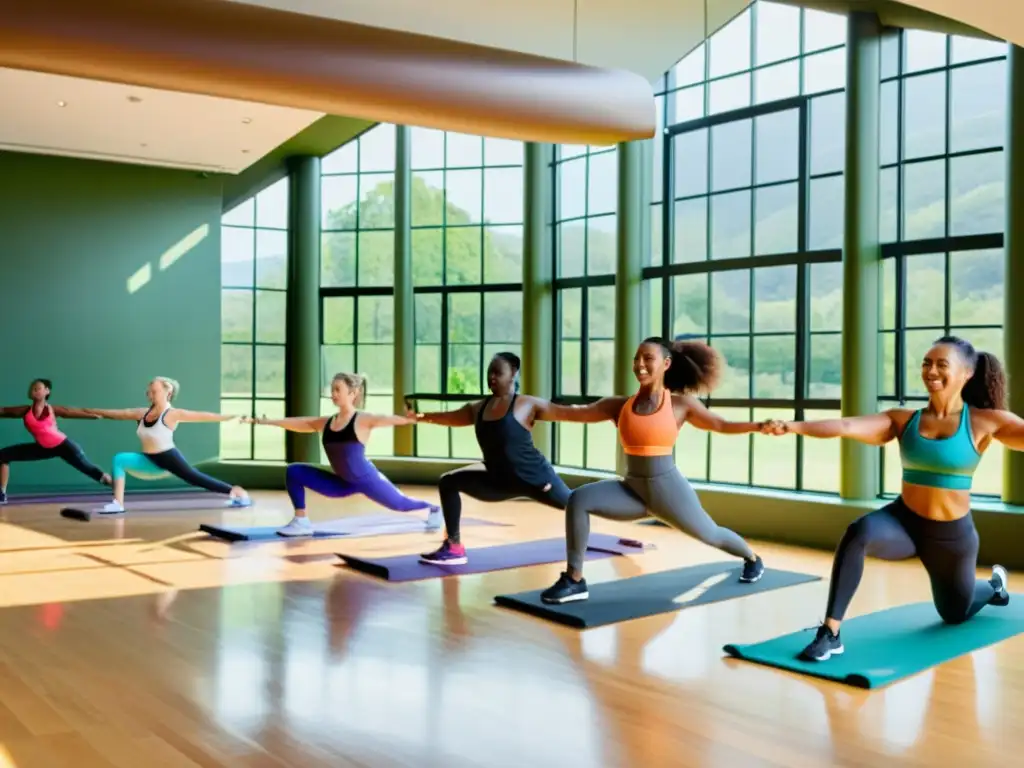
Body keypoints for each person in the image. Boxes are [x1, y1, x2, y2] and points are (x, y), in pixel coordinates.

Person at [761, 336, 1013, 662]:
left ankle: (993, 587)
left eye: (941, 364)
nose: (931, 371)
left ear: (966, 373)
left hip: (952, 537)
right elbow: (846, 425)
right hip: (903, 523)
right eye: (926, 363)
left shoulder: (983, 422)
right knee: (859, 532)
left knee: (955, 613)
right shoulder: (902, 420)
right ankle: (830, 632)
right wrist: (792, 426)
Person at [531, 337, 767, 604]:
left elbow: (722, 425)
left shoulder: (680, 405)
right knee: (578, 500)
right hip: (631, 489)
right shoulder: (619, 405)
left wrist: (759, 425)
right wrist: (531, 410)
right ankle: (574, 579)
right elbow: (573, 413)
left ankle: (752, 558)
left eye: (647, 359)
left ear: (666, 363)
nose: (639, 365)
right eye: (637, 359)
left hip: (668, 491)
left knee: (710, 534)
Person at [408, 351, 572, 566]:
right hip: (498, 482)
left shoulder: (526, 404)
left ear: (513, 374)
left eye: (497, 372)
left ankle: (626, 518)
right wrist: (420, 417)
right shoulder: (478, 408)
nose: (491, 377)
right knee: (448, 481)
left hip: (537, 479)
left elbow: (572, 413)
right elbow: (450, 417)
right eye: (489, 372)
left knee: (577, 504)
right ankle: (454, 547)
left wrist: (611, 412)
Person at [243, 372, 440, 537]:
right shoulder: (328, 422)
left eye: (338, 389)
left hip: (366, 479)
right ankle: (301, 521)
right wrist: (267, 422)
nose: (333, 394)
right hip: (342, 483)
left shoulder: (362, 419)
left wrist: (413, 419)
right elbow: (301, 422)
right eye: (332, 389)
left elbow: (385, 419)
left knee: (401, 504)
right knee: (294, 471)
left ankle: (434, 509)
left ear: (353, 393)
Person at [83, 377, 251, 513]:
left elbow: (203, 415)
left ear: (167, 392)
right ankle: (117, 504)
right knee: (119, 459)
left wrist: (231, 417)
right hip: (149, 460)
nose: (150, 393)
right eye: (149, 390)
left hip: (169, 458)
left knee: (195, 478)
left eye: (154, 390)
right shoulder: (142, 413)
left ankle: (235, 491)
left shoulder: (172, 414)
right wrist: (92, 412)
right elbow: (119, 414)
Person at [0, 378, 111, 501]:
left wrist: (92, 417)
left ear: (47, 391)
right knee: (3, 455)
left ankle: (116, 486)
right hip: (43, 448)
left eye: (38, 388)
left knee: (93, 472)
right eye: (33, 389)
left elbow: (71, 412)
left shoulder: (52, 409)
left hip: (63, 446)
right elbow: (4, 411)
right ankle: (2, 493)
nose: (35, 390)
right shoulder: (25, 410)